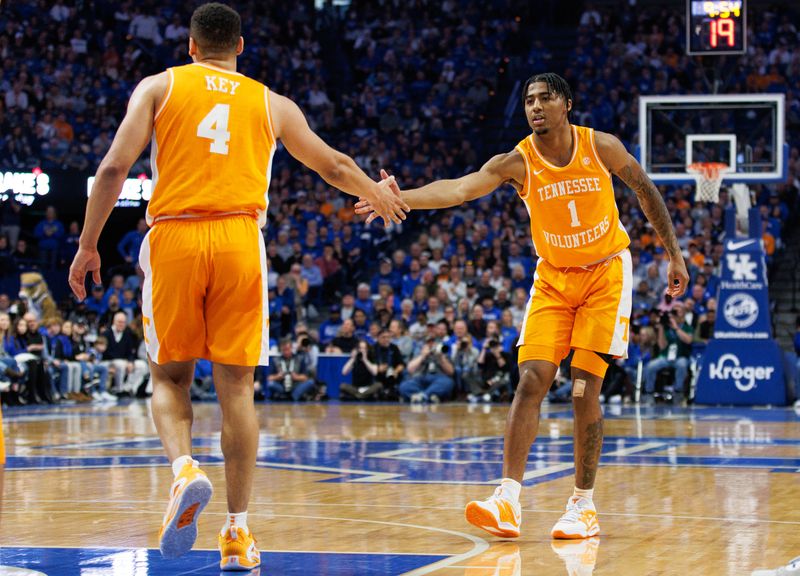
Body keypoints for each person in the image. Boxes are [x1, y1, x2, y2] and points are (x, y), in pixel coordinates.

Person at [68, 3, 407, 571]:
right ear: (241, 48)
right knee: (238, 391)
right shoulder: (271, 102)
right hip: (239, 239)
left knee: (170, 376)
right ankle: (237, 532)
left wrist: (87, 245)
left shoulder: (158, 86)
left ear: (192, 47)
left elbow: (111, 170)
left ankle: (184, 471)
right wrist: (379, 194)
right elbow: (333, 164)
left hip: (175, 235)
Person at [358, 72, 688, 539]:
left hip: (606, 274)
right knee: (531, 379)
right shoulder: (518, 161)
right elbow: (458, 189)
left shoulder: (601, 146)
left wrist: (674, 254)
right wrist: (394, 197)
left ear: (566, 104)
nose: (534, 107)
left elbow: (645, 189)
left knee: (581, 391)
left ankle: (583, 506)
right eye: (529, 100)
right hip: (553, 277)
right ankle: (508, 498)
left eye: (545, 98)